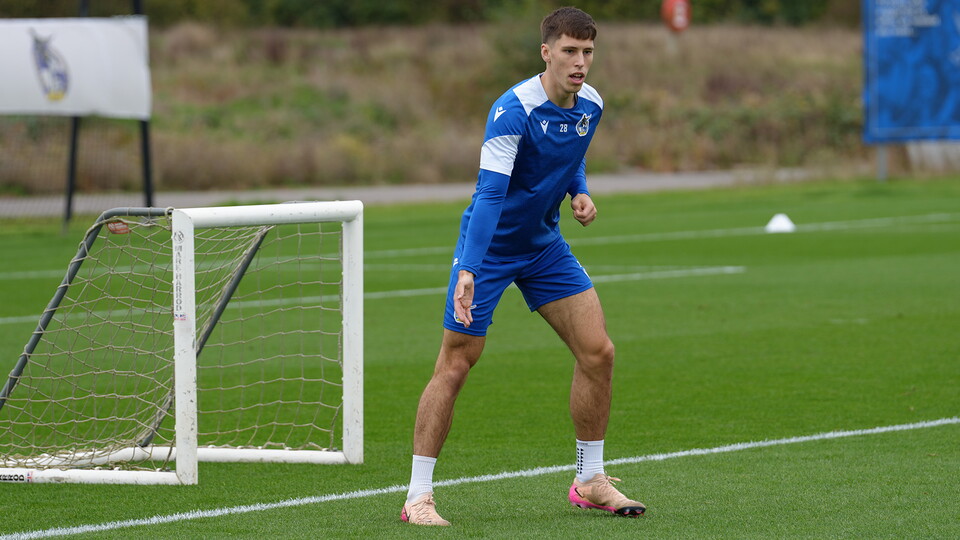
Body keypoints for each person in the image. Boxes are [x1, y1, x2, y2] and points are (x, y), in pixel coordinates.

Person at [400, 6, 646, 526]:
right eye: (569, 52)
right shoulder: (513, 110)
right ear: (546, 52)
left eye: (587, 52)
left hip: (543, 247)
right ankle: (417, 497)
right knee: (456, 364)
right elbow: (489, 195)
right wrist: (468, 268)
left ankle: (589, 480)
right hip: (488, 249)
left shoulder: (592, 105)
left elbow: (570, 155)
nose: (580, 62)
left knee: (598, 352)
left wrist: (579, 191)